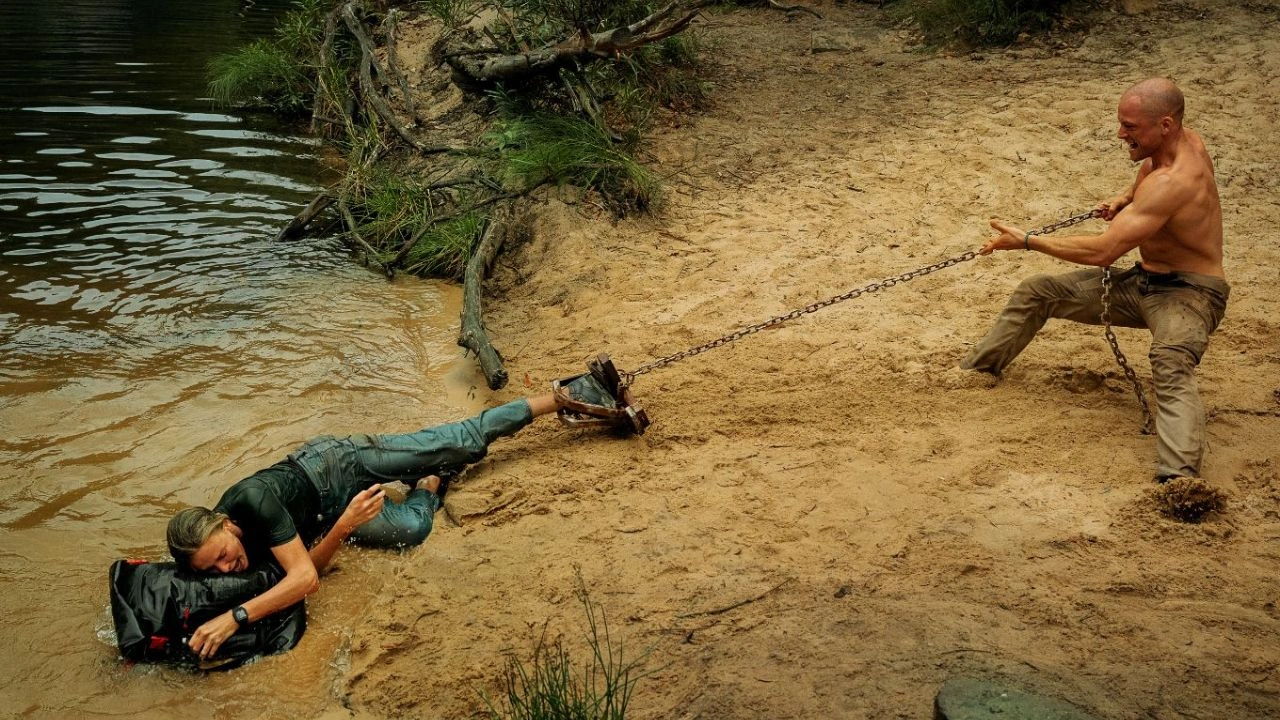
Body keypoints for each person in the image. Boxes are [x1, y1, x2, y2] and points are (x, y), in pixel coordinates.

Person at [165, 357, 645, 661]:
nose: (230, 566)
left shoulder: (252, 500)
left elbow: (304, 581)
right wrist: (345, 525)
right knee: (414, 528)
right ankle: (430, 483)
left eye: (224, 553)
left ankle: (571, 392)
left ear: (227, 525)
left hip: (334, 464)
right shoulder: (216, 557)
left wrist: (235, 618)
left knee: (459, 440)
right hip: (331, 518)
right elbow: (304, 568)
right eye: (215, 569)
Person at [961, 77, 1229, 484]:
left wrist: (1028, 240)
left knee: (1170, 361)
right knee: (1038, 292)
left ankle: (1179, 480)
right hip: (1144, 281)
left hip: (1191, 294)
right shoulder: (1183, 142)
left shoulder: (1173, 182)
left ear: (1166, 125)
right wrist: (1125, 197)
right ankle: (976, 372)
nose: (1121, 133)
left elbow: (1103, 252)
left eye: (1130, 126)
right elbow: (1148, 177)